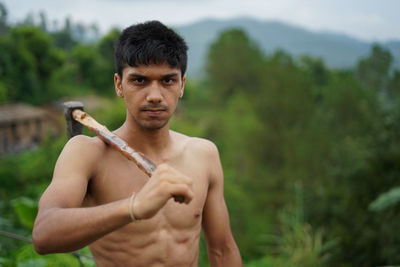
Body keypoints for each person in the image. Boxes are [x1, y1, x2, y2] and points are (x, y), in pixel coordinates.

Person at [32, 20, 242, 267]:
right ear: (119, 85)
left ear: (182, 85)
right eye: (139, 81)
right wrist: (134, 207)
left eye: (167, 81)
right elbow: (44, 234)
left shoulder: (203, 154)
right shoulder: (87, 153)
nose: (154, 96)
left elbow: (223, 251)